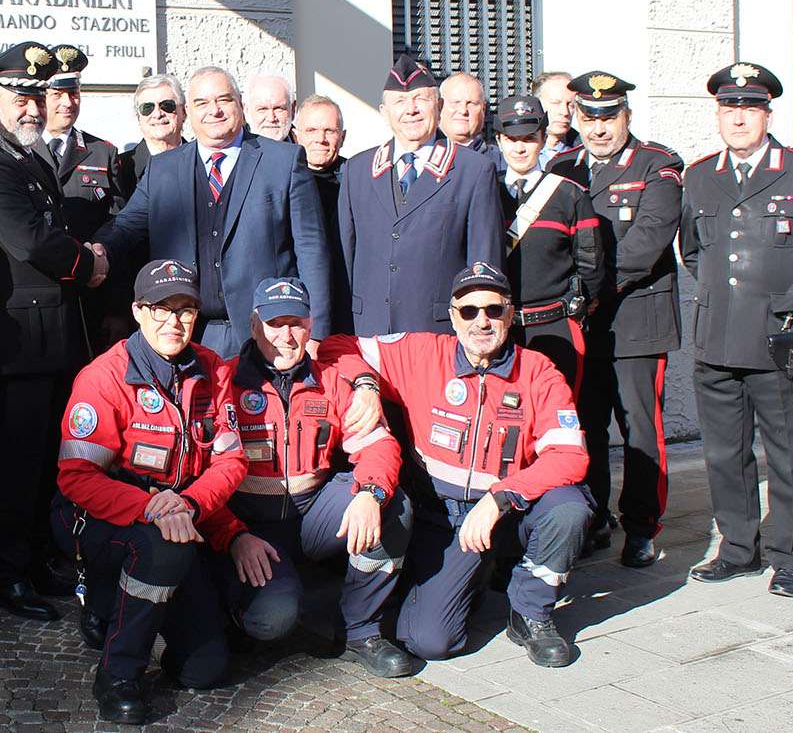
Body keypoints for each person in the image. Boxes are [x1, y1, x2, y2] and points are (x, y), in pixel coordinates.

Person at [320, 263, 592, 668]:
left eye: (493, 310)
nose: (481, 321)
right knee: (430, 641)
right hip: (446, 520)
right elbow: (335, 346)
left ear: (510, 314)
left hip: (510, 510)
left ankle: (532, 614)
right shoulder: (421, 352)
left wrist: (500, 498)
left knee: (569, 508)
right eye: (469, 311)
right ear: (453, 316)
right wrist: (365, 384)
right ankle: (472, 578)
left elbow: (570, 455)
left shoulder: (538, 371)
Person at [680, 62, 793, 598]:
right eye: (729, 108)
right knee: (725, 452)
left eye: (749, 108)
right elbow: (692, 250)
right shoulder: (699, 175)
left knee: (787, 452)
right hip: (717, 336)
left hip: (781, 338)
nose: (738, 118)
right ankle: (737, 549)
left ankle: (789, 555)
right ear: (717, 115)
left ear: (767, 113)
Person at [51, 259, 245, 724]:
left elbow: (231, 460)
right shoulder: (104, 376)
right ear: (138, 311)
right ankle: (118, 672)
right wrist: (151, 507)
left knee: (204, 669)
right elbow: (76, 477)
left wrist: (188, 503)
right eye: (161, 309)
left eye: (185, 310)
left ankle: (127, 608)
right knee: (163, 548)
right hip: (98, 516)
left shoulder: (213, 371)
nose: (173, 322)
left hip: (180, 516)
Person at [0, 41, 108, 623]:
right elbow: (30, 240)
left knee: (45, 463)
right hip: (12, 346)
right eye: (19, 98)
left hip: (49, 344)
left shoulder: (29, 156)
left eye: (35, 98)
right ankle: (6, 575)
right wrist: (87, 262)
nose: (30, 109)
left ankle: (37, 558)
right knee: (15, 467)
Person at [209, 277, 414, 677]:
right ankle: (232, 606)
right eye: (274, 324)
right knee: (272, 620)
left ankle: (360, 628)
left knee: (395, 505)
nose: (286, 337)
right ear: (254, 326)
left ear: (310, 324)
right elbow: (200, 477)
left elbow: (378, 446)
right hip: (249, 525)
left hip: (312, 514)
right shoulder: (224, 382)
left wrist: (370, 494)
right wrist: (232, 535)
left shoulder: (332, 379)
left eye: (296, 324)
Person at [94, 66, 332, 358]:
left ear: (240, 104)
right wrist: (97, 250)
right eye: (202, 103)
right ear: (186, 112)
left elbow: (312, 249)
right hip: (187, 331)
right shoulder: (163, 169)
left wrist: (316, 332)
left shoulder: (284, 161)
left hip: (267, 332)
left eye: (224, 100)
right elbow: (127, 225)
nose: (214, 111)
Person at [547, 71, 684, 568]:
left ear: (626, 115)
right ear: (577, 117)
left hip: (635, 321)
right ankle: (594, 516)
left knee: (640, 430)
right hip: (581, 325)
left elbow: (647, 243)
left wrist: (586, 289)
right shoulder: (564, 166)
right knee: (586, 426)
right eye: (589, 116)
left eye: (609, 116)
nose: (599, 127)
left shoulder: (657, 164)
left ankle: (643, 526)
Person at [337, 54, 502, 336]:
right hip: (369, 331)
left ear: (438, 106)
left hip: (440, 335)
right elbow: (345, 260)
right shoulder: (357, 170)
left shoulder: (473, 170)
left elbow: (484, 267)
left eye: (420, 100)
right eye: (399, 102)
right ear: (384, 111)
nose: (410, 110)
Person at [492, 95, 604, 395]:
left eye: (529, 138)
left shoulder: (570, 195)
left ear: (543, 139)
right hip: (497, 328)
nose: (519, 147)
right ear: (499, 141)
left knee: (560, 417)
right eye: (511, 138)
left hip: (555, 327)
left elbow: (590, 264)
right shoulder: (485, 190)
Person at [39, 45, 130, 352]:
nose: (68, 102)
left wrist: (117, 307)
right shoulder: (18, 152)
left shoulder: (103, 151)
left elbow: (118, 223)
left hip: (91, 299)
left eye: (74, 92)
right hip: (39, 301)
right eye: (57, 93)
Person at [294, 94, 351, 333]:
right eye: (312, 130)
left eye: (330, 130)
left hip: (346, 305)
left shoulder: (356, 178)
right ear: (296, 135)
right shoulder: (280, 178)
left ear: (343, 136)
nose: (321, 139)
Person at [115, 73, 186, 193]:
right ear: (139, 117)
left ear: (184, 112)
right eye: (147, 108)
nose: (158, 114)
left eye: (167, 106)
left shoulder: (204, 162)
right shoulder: (120, 169)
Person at [439, 71, 503, 171]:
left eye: (471, 103)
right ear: (440, 106)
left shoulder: (502, 162)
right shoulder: (423, 159)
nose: (463, 110)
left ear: (483, 109)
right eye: (455, 103)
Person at [533, 71, 580, 169]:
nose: (565, 112)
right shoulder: (514, 152)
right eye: (556, 103)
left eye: (570, 105)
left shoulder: (585, 155)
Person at [243, 73, 295, 141]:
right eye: (262, 109)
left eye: (279, 108)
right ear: (246, 111)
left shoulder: (307, 147)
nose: (271, 118)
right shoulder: (235, 149)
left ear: (293, 110)